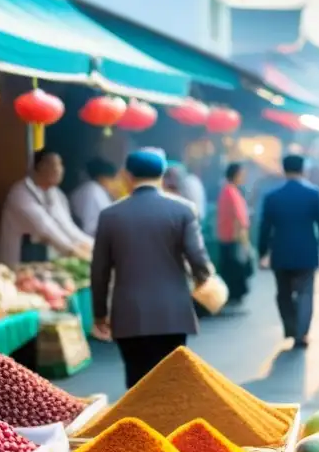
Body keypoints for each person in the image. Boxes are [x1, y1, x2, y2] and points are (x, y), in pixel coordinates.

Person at [90, 148, 214, 388]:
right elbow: (198, 257)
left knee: (138, 382)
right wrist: (203, 279)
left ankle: (141, 423)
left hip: (129, 314)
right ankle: (170, 424)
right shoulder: (183, 210)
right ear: (163, 173)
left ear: (127, 175)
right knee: (171, 379)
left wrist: (99, 313)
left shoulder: (110, 215)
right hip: (173, 312)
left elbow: (100, 269)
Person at [258, 155, 319, 348]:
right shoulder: (313, 193)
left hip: (281, 251)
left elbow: (264, 227)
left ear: (283, 169)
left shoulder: (272, 196)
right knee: (306, 294)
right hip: (307, 251)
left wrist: (262, 252)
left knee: (283, 293)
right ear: (303, 169)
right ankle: (302, 333)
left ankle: (290, 328)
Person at [0, 151, 93, 267]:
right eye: (53, 165)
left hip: (43, 261)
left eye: (60, 165)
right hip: (18, 259)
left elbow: (68, 227)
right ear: (39, 167)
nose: (59, 170)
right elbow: (46, 228)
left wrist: (95, 246)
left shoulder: (57, 194)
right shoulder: (20, 193)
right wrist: (73, 250)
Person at [216, 162, 253, 307]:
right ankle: (233, 297)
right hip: (232, 238)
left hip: (229, 237)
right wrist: (244, 242)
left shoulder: (229, 191)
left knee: (231, 269)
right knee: (234, 270)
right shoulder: (230, 192)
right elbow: (238, 219)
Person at [69, 157, 119, 237]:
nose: (115, 185)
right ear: (102, 178)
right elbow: (91, 227)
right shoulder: (93, 190)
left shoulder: (94, 189)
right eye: (113, 180)